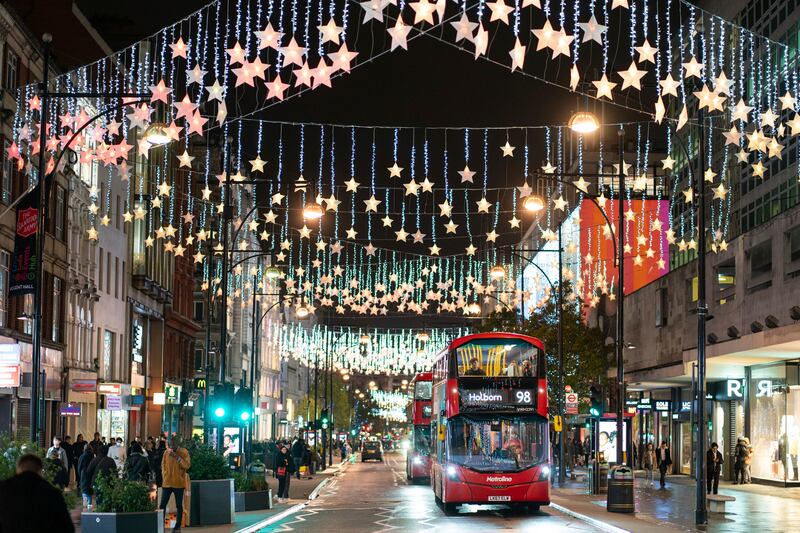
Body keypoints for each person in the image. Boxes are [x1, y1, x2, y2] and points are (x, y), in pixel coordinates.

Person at [0, 453, 74, 532]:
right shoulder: (52, 493)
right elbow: (67, 528)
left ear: (18, 469)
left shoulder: (3, 489)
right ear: (40, 471)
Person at [160, 436, 191, 533]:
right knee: (162, 505)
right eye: (169, 445)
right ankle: (160, 525)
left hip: (178, 483)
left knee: (179, 505)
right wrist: (165, 475)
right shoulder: (166, 453)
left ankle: (177, 527)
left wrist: (177, 457)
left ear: (177, 444)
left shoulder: (184, 452)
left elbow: (187, 465)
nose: (171, 446)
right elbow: (163, 465)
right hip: (167, 483)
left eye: (172, 444)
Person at [77, 443, 95, 509]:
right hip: (90, 474)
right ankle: (89, 505)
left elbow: (79, 466)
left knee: (84, 489)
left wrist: (80, 474)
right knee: (89, 490)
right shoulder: (92, 456)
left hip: (83, 474)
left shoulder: (82, 456)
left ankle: (85, 504)